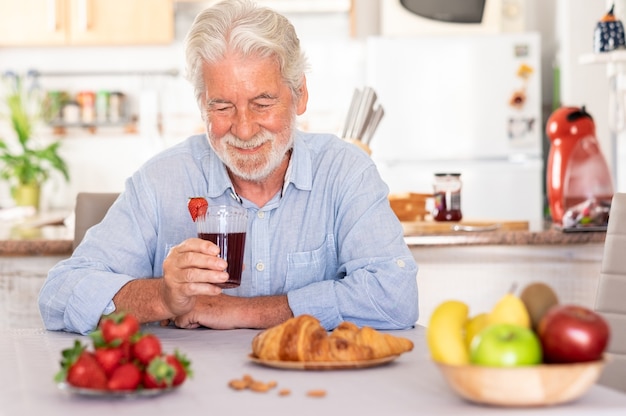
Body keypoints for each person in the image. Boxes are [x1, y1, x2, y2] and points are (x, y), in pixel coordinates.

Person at [38, 0, 419, 335]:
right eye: (222, 107)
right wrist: (165, 297)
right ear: (202, 104)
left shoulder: (346, 173)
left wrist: (242, 311)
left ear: (299, 95)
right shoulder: (161, 181)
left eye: (262, 103)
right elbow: (59, 294)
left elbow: (396, 297)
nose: (244, 129)